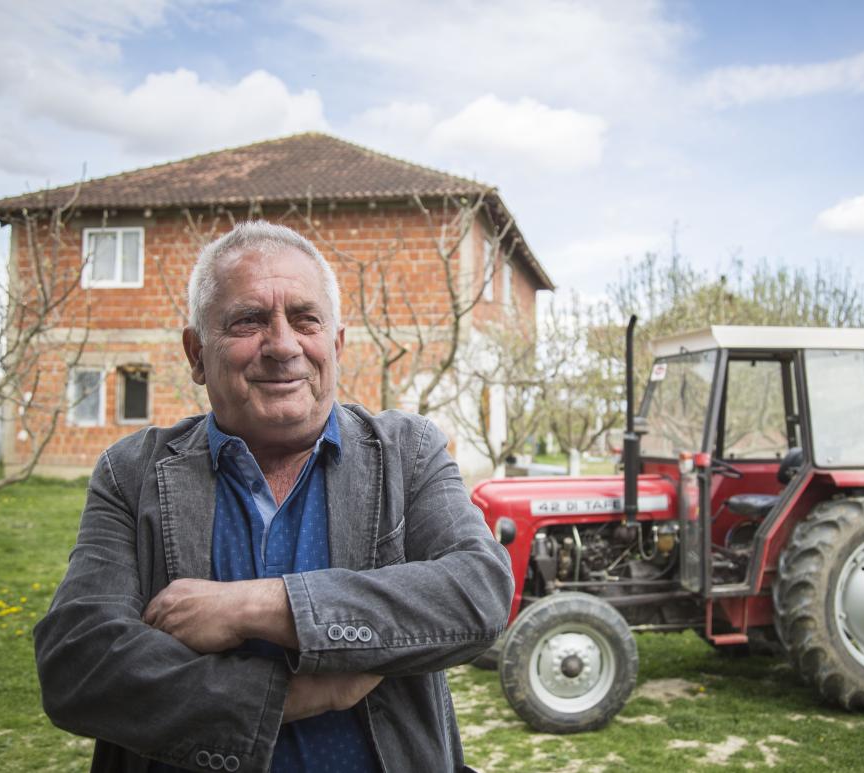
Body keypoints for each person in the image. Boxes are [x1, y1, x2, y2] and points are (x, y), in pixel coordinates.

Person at [34, 221, 514, 773]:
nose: (283, 345)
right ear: (196, 353)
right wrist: (290, 696)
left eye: (306, 319)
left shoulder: (408, 450)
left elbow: (477, 594)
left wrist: (256, 606)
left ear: (336, 345)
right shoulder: (131, 472)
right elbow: (78, 664)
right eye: (249, 321)